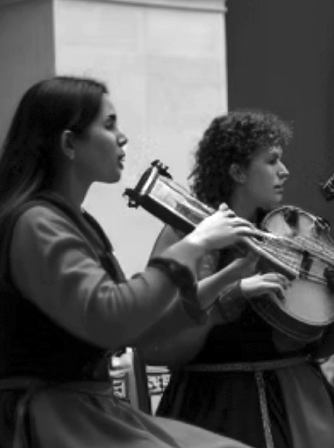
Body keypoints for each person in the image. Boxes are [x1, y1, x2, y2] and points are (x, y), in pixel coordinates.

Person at [0, 76, 262, 448]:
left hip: (88, 409)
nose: (122, 137)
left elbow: (136, 326)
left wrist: (230, 275)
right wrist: (196, 242)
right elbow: (111, 317)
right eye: (109, 125)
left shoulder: (75, 221)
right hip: (50, 417)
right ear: (69, 144)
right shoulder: (36, 223)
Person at [144, 110, 334, 448]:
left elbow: (313, 345)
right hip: (218, 396)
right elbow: (160, 339)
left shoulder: (284, 234)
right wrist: (234, 292)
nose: (284, 170)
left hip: (294, 386)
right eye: (271, 161)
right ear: (238, 172)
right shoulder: (189, 233)